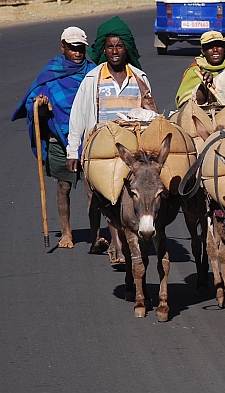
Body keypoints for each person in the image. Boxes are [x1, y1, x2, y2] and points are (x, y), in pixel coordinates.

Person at [66, 16, 157, 268]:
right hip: (102, 148)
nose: (115, 52)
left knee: (136, 194)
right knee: (108, 198)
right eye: (110, 47)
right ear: (103, 50)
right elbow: (78, 117)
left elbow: (150, 114)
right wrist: (73, 151)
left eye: (119, 46)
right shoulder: (92, 80)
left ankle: (137, 235)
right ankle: (118, 246)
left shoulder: (140, 78)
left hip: (133, 149)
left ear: (126, 48)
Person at [11, 27, 96, 250]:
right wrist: (39, 104)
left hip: (89, 140)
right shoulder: (51, 73)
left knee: (94, 190)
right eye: (73, 48)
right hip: (61, 141)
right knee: (63, 188)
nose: (77, 53)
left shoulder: (93, 72)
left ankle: (96, 235)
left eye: (81, 49)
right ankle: (67, 232)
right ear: (63, 47)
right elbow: (32, 103)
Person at [175, 30, 225, 107]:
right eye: (210, 47)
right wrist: (204, 86)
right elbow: (185, 101)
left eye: (219, 46)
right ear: (203, 51)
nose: (215, 50)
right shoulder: (195, 71)